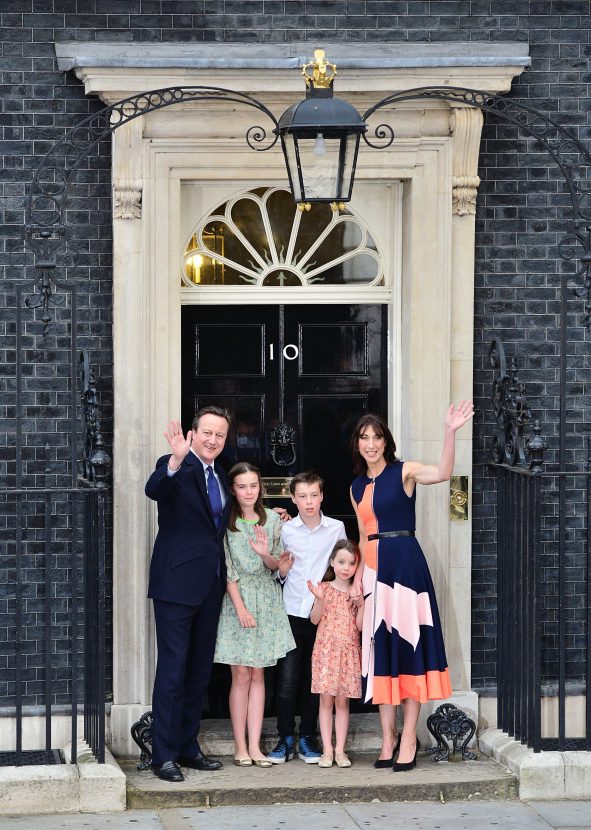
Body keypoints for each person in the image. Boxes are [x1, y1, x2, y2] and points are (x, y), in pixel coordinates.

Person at [349, 402, 474, 772]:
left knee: (409, 648)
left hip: (405, 568)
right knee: (381, 655)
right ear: (357, 444)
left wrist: (449, 431)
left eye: (377, 437)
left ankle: (408, 737)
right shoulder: (356, 486)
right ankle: (387, 737)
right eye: (364, 438)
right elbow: (362, 536)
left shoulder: (403, 471)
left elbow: (444, 473)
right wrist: (357, 580)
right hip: (374, 575)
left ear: (386, 442)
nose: (371, 444)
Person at [145, 407, 232, 782]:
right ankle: (162, 755)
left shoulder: (221, 475)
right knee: (173, 670)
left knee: (199, 671)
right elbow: (155, 489)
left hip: (210, 585)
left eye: (220, 435)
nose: (213, 440)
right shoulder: (175, 466)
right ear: (193, 433)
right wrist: (175, 461)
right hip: (176, 586)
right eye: (207, 433)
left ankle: (187, 746)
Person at [214, 463, 296, 767]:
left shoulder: (273, 519)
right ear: (233, 490)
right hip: (237, 599)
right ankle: (240, 747)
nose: (249, 492)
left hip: (267, 600)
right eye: (242, 486)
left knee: (259, 673)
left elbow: (276, 567)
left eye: (253, 485)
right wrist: (240, 608)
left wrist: (264, 553)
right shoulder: (227, 522)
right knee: (241, 674)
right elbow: (227, 569)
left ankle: (255, 746)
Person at [267, 471, 347, 764]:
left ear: (322, 496)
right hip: (290, 610)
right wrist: (282, 571)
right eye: (302, 496)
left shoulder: (336, 528)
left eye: (314, 495)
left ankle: (307, 737)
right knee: (288, 679)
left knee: (317, 680)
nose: (309, 501)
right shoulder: (285, 530)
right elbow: (276, 572)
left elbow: (343, 566)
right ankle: (285, 737)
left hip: (322, 613)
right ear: (293, 498)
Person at [307, 539, 364, 769]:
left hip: (348, 652)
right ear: (332, 562)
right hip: (326, 651)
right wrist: (320, 600)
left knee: (342, 702)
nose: (346, 567)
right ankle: (327, 750)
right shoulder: (325, 588)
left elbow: (360, 626)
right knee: (326, 700)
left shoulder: (356, 593)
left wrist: (362, 605)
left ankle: (340, 750)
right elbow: (314, 620)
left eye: (351, 563)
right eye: (341, 562)